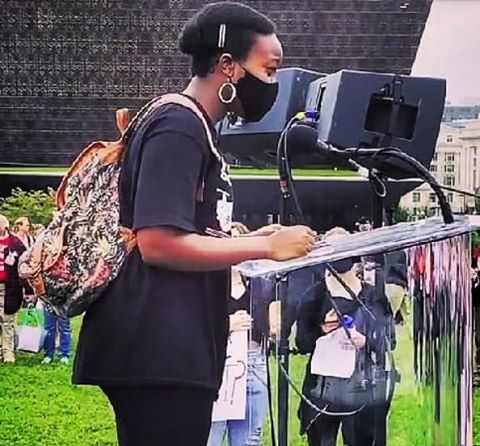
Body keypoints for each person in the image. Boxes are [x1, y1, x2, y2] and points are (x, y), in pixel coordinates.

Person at [72, 3, 316, 446]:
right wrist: (263, 249)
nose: (274, 84)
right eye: (269, 69)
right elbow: (158, 243)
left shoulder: (196, 127)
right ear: (227, 66)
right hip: (157, 350)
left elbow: (186, 229)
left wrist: (250, 236)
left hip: (172, 351)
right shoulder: (178, 125)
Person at [207, 222, 271, 446]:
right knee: (211, 436)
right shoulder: (207, 284)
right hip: (219, 363)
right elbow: (193, 324)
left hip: (253, 363)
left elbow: (270, 327)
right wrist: (226, 324)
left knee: (249, 439)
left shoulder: (260, 283)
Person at [0, 214, 27, 364]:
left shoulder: (15, 244)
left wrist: (28, 289)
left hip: (10, 288)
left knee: (8, 321)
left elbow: (24, 266)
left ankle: (8, 353)